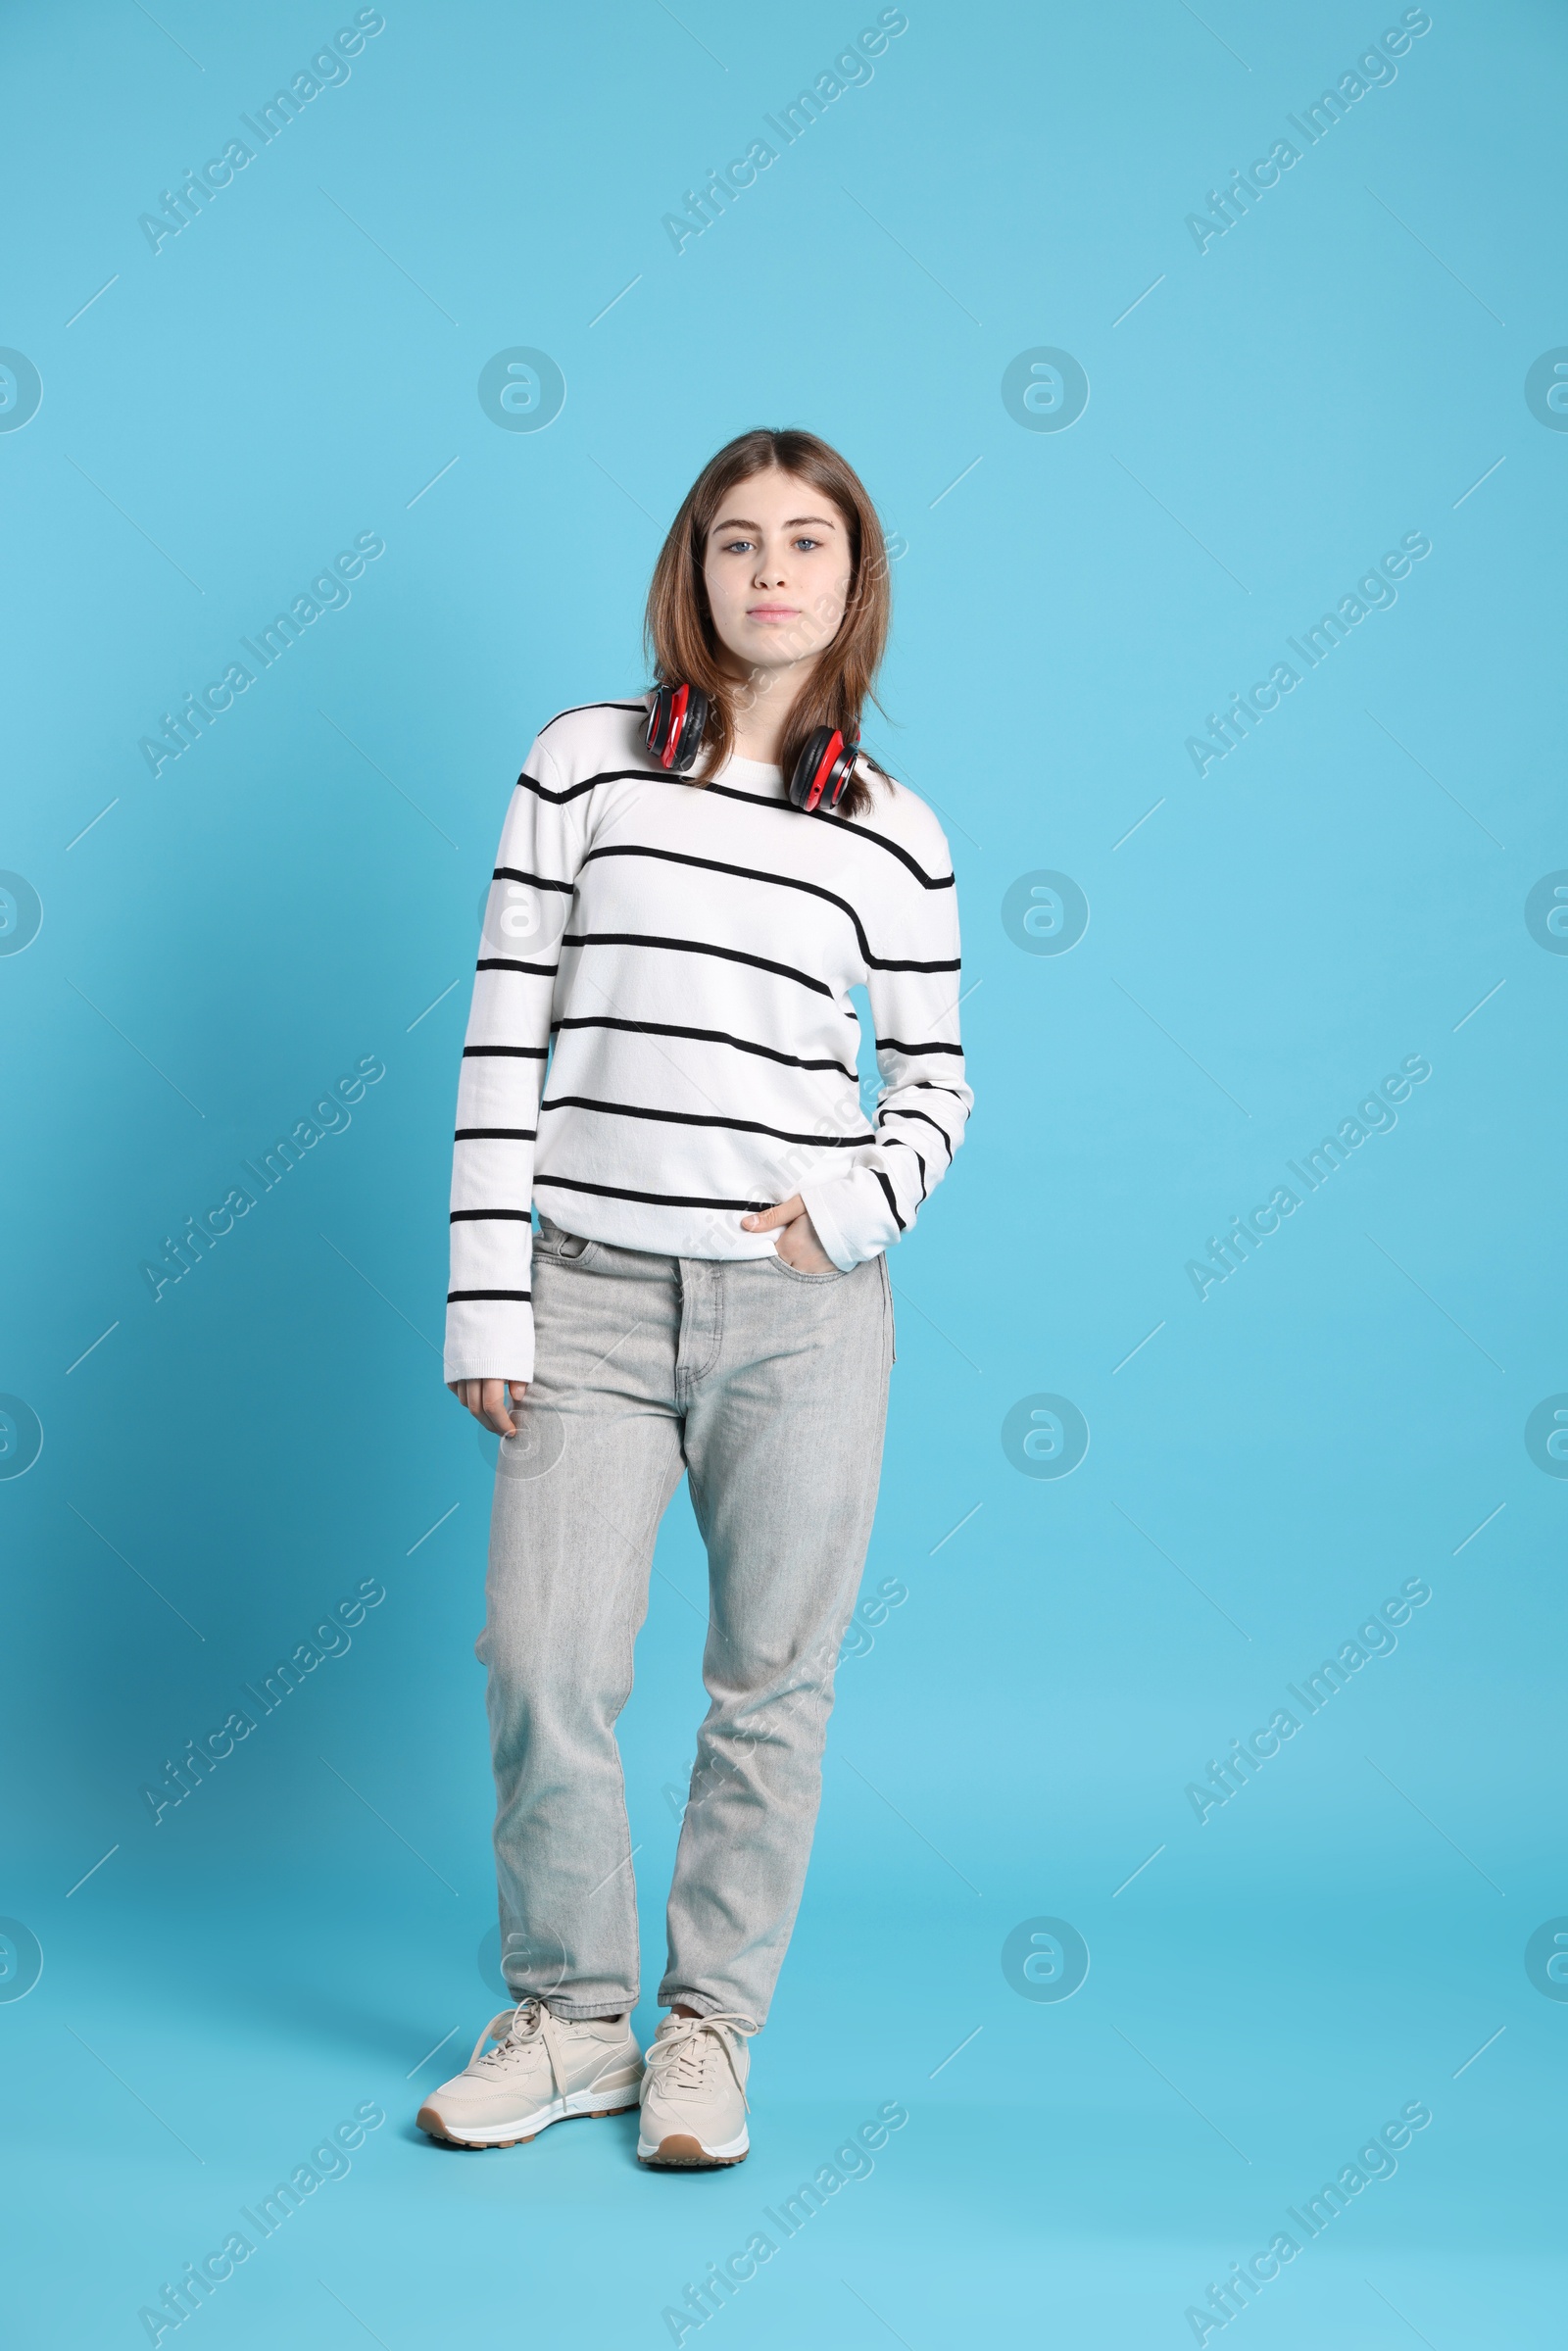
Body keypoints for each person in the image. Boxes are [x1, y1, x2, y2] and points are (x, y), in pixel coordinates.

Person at [416, 427, 971, 2169]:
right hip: (580, 1292)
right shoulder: (580, 765)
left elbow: (938, 1085)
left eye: (808, 542)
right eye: (738, 541)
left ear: (853, 580)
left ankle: (705, 2036)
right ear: (695, 568)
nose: (772, 572)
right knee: (546, 1662)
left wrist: (845, 1212)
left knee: (769, 1682)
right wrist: (484, 1300)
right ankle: (575, 2019)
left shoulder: (893, 829)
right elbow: (508, 1029)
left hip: (799, 1315)